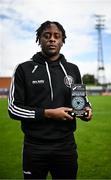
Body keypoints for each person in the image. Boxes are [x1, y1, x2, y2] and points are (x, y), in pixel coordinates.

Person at [8, 20, 92, 180]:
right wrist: (47, 113)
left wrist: (86, 109)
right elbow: (13, 108)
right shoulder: (23, 69)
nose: (52, 39)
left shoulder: (72, 69)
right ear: (39, 39)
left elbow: (81, 100)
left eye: (56, 36)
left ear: (62, 41)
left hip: (66, 146)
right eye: (47, 35)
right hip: (35, 147)